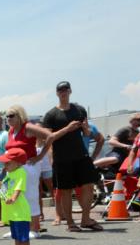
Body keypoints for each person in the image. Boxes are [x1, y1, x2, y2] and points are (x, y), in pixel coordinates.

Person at [41, 81, 103, 232]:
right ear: (57, 93)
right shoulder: (51, 115)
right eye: (60, 90)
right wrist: (67, 129)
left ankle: (85, 219)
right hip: (62, 158)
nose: (63, 92)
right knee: (66, 190)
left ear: (70, 91)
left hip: (81, 155)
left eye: (66, 89)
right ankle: (70, 223)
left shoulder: (79, 110)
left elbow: (87, 134)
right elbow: (48, 138)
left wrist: (85, 129)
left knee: (88, 186)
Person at [4, 105, 53, 236]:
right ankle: (17, 229)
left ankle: (34, 228)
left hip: (29, 165)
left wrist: (40, 155)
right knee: (16, 197)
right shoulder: (11, 131)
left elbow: (49, 136)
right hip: (14, 168)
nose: (8, 118)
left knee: (30, 195)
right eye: (7, 116)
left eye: (11, 115)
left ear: (19, 115)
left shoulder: (28, 127)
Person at [0, 148, 31, 245]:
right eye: (4, 163)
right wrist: (1, 184)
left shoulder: (21, 172)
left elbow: (18, 188)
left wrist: (13, 198)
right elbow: (8, 186)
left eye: (8, 163)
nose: (5, 165)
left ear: (18, 162)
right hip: (13, 211)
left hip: (20, 211)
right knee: (16, 236)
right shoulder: (10, 173)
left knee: (23, 237)